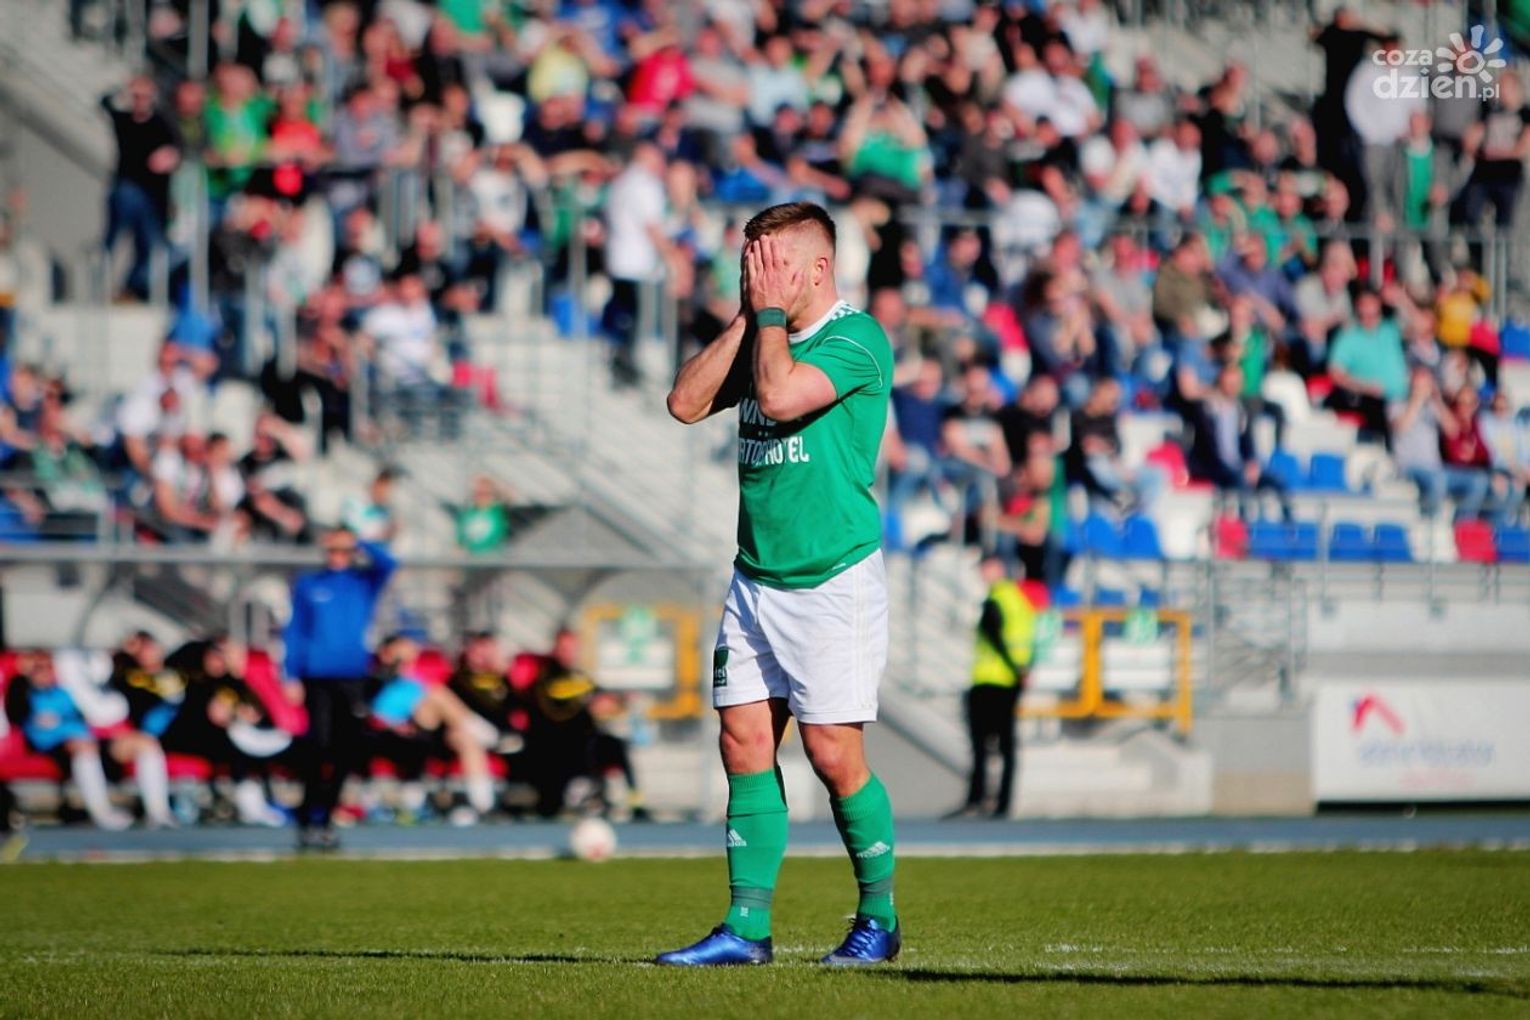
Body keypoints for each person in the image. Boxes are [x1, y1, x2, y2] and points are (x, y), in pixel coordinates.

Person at [662, 201, 900, 966]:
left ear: (819, 269)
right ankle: (746, 928)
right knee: (742, 742)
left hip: (832, 579)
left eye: (773, 264)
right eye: (749, 264)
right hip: (755, 576)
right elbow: (684, 403)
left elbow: (780, 396)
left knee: (833, 755)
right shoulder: (762, 331)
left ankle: (879, 918)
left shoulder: (856, 339)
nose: (758, 276)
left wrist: (765, 318)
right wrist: (749, 314)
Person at [283, 526, 396, 850]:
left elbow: (388, 563)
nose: (338, 556)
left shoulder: (362, 583)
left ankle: (327, 817)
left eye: (343, 551)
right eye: (333, 550)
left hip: (352, 677)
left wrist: (359, 540)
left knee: (346, 750)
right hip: (318, 677)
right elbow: (296, 630)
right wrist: (291, 673)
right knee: (318, 746)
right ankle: (307, 816)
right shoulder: (310, 584)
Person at [3, 650, 171, 830]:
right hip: (55, 746)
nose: (43, 671)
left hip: (91, 739)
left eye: (48, 666)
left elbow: (97, 714)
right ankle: (102, 813)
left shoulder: (69, 692)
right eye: (37, 667)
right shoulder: (21, 692)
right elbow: (28, 725)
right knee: (84, 747)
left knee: (145, 743)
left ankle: (159, 813)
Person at [519, 629, 644, 821]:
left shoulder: (581, 677)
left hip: (588, 741)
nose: (568, 653)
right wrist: (585, 707)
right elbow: (553, 713)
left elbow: (602, 697)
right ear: (555, 649)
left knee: (615, 745)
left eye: (572, 649)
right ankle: (581, 794)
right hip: (556, 745)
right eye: (564, 648)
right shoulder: (545, 678)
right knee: (550, 807)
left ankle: (635, 803)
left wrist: (620, 700)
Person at [951, 556, 1035, 820]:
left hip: (989, 681)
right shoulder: (1020, 600)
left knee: (980, 746)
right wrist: (1022, 671)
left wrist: (1014, 668)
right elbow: (1029, 640)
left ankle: (976, 799)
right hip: (1011, 683)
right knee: (1007, 745)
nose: (982, 574)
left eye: (984, 568)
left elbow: (995, 637)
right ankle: (1003, 803)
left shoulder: (995, 600)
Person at [100, 76, 179, 300]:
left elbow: (179, 147)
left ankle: (130, 288)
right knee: (113, 239)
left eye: (145, 96)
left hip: (153, 196)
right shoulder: (123, 120)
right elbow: (104, 102)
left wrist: (172, 156)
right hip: (128, 189)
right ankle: (102, 283)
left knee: (152, 248)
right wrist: (123, 89)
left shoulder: (162, 122)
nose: (140, 100)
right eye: (136, 96)